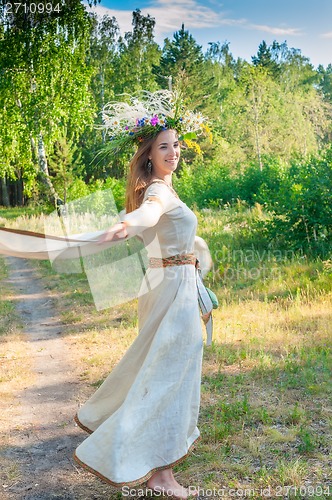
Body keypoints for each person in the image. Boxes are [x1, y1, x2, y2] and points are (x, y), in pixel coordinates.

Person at [0, 90, 213, 499]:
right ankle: (158, 473)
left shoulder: (166, 188)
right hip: (171, 292)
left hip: (169, 286)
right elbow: (148, 214)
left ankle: (156, 466)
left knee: (162, 371)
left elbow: (166, 231)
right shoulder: (158, 191)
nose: (173, 152)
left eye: (176, 145)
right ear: (149, 155)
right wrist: (127, 223)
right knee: (169, 375)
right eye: (163, 147)